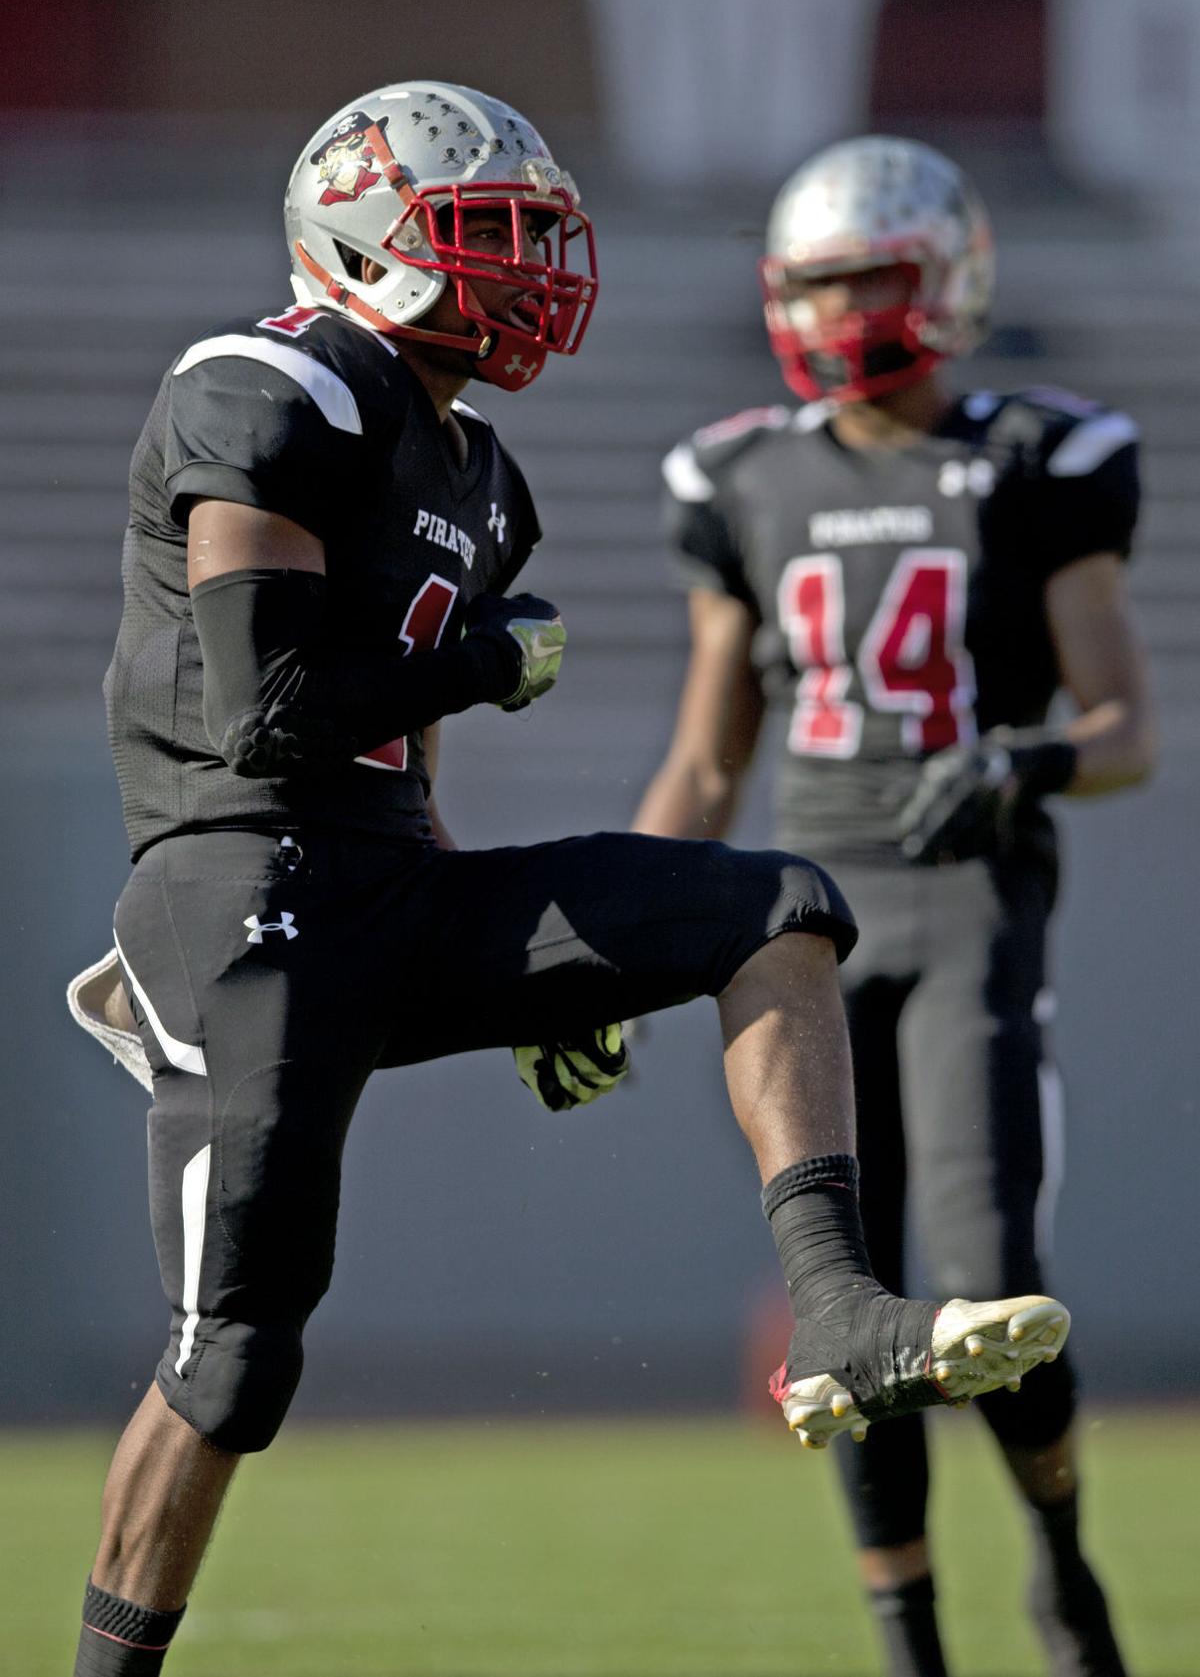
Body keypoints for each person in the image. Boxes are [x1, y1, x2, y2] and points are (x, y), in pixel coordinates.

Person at [66, 94, 1069, 1677]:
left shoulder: (481, 472)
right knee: (234, 1359)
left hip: (386, 889)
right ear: (369, 238)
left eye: (535, 235)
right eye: (493, 236)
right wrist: (475, 657)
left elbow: (408, 784)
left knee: (776, 906)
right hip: (240, 893)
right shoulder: (265, 390)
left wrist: (537, 975)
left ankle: (837, 1307)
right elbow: (261, 708)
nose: (531, 267)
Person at [635, 136, 1153, 1677]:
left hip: (971, 900)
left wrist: (1030, 753)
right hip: (805, 928)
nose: (853, 306)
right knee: (850, 1302)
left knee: (991, 1279)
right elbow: (706, 755)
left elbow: (1126, 724)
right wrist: (609, 939)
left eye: (878, 273)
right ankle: (910, 1640)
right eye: (827, 277)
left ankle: (1061, 1564)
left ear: (945, 278)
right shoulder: (741, 474)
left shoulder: (1034, 461)